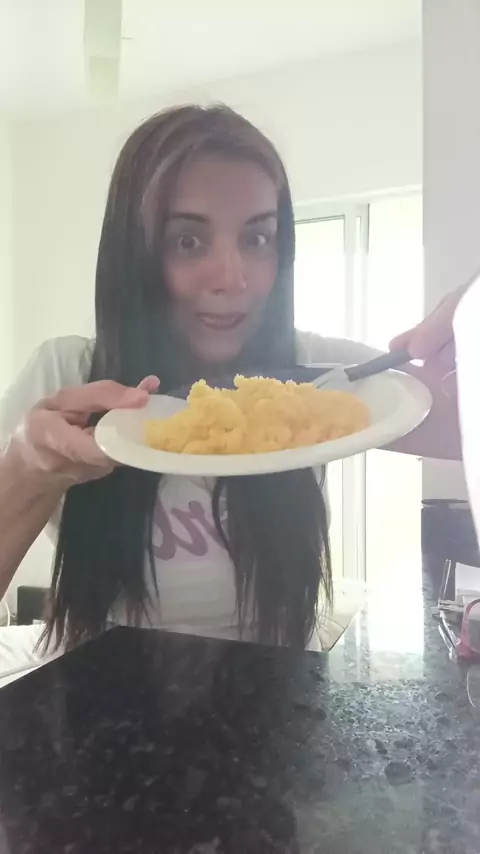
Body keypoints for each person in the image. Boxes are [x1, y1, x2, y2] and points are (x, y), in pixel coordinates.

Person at [0, 105, 465, 685]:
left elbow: (458, 425)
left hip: (280, 718)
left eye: (258, 238)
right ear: (133, 253)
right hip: (99, 721)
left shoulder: (315, 374)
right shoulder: (68, 377)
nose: (233, 277)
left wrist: (470, 318)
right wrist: (26, 473)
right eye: (188, 240)